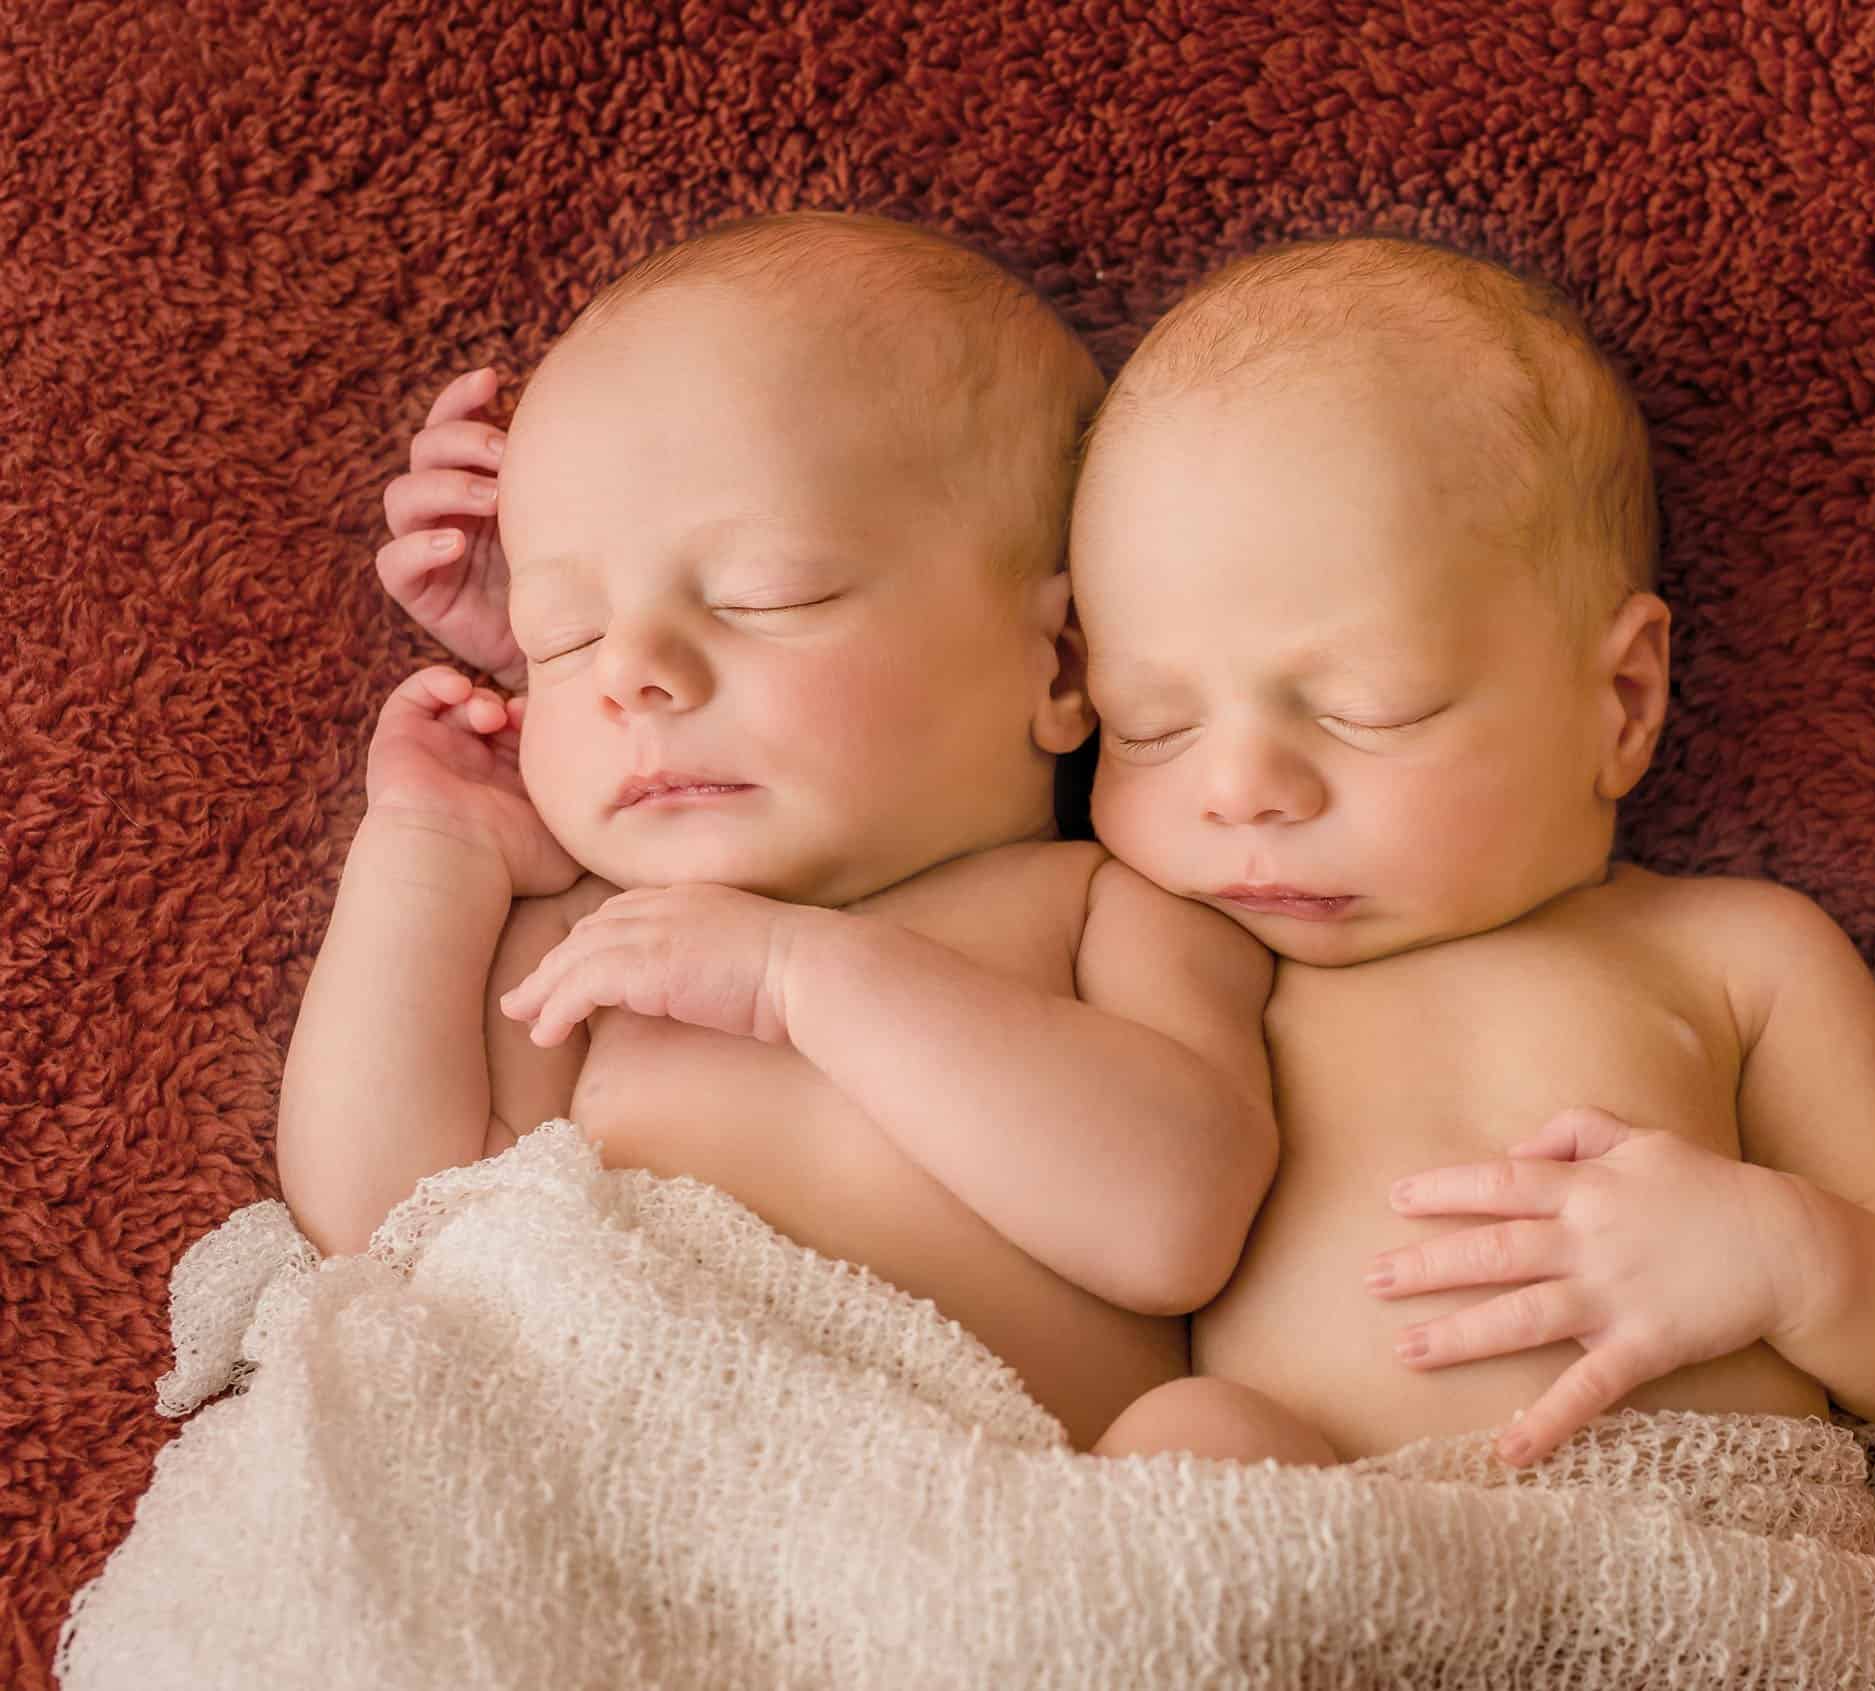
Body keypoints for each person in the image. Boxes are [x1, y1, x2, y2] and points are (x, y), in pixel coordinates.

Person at [276, 211, 1279, 1453]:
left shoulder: (1104, 902)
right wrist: (427, 849)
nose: (631, 670)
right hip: (628, 1499)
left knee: (1225, 1438)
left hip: (970, 1549)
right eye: (565, 630)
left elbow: (1169, 1225)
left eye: (765, 594)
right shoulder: (593, 937)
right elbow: (378, 1215)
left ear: (1062, 661)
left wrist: (800, 973)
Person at [1070, 234, 1875, 1467]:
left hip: (1693, 1559)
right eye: (1151, 725)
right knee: (1181, 1441)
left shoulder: (1734, 952)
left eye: (1370, 707)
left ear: (1620, 700)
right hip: (1320, 1568)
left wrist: (1783, 1255)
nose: (1237, 790)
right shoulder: (1158, 951)